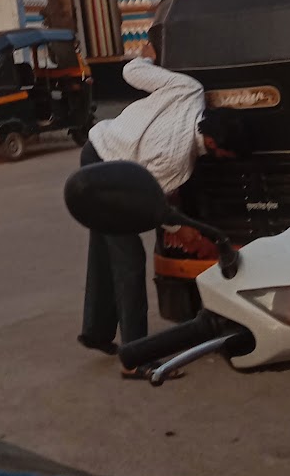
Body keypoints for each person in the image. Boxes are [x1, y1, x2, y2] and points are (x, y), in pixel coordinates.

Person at [77, 43, 248, 378]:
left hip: (96, 149)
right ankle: (136, 359)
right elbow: (150, 204)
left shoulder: (189, 90)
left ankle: (96, 333)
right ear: (213, 145)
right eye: (227, 156)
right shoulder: (177, 163)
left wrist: (147, 57)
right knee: (129, 262)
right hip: (109, 176)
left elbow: (129, 71)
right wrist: (183, 231)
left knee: (104, 249)